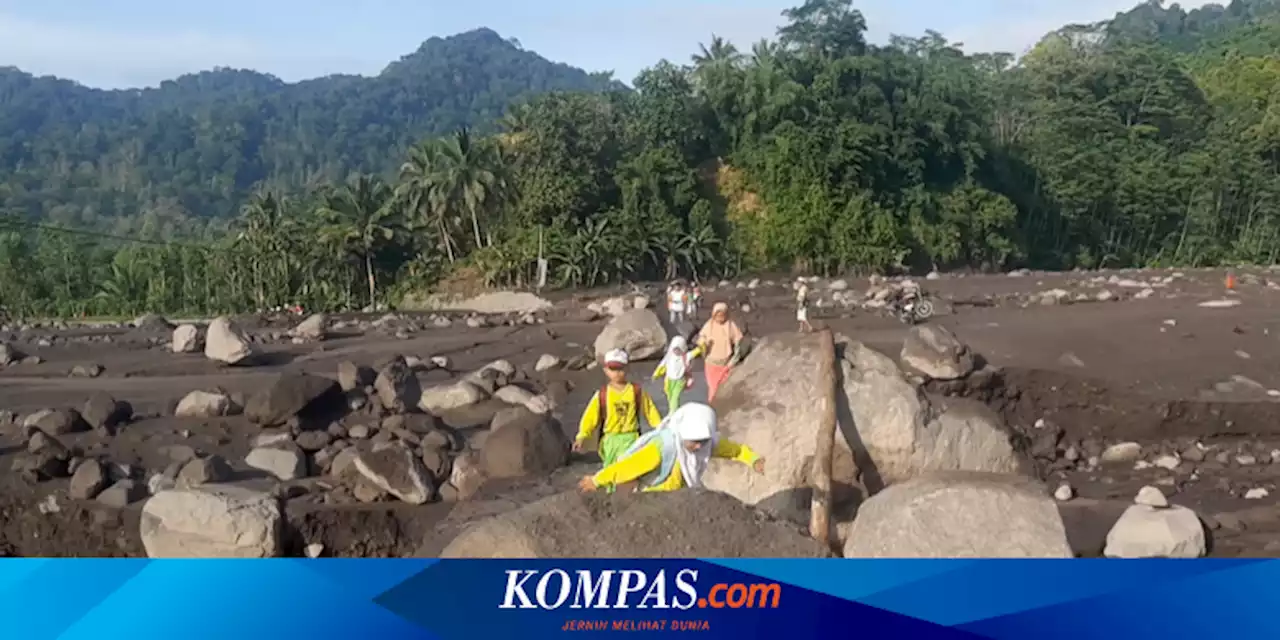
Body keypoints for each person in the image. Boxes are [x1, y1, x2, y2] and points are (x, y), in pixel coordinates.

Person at [578, 403, 764, 493]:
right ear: (682, 432)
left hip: (680, 495)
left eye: (703, 441)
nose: (698, 446)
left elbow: (735, 451)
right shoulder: (664, 445)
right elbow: (628, 467)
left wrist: (753, 460)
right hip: (652, 498)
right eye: (694, 441)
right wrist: (597, 480)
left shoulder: (707, 443)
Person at [573, 349, 665, 491]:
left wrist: (661, 428)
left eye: (620, 369)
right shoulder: (602, 394)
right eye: (613, 369)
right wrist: (582, 435)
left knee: (629, 471)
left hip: (631, 437)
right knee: (610, 471)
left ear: (627, 368)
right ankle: (611, 496)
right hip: (610, 440)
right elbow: (590, 417)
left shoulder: (636, 391)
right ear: (605, 370)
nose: (617, 373)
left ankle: (627, 499)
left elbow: (650, 411)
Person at [696, 302, 745, 403]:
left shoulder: (731, 325)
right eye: (717, 314)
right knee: (713, 387)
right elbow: (701, 340)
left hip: (726, 363)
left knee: (723, 388)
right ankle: (712, 406)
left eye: (722, 314)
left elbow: (738, 343)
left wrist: (733, 361)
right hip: (711, 363)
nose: (720, 316)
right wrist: (702, 344)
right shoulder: (709, 326)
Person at [652, 336, 702, 414]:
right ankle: (674, 410)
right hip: (669, 380)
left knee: (675, 396)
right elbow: (662, 366)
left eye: (678, 349)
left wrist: (702, 346)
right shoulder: (669, 357)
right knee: (670, 396)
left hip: (680, 380)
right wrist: (656, 375)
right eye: (675, 349)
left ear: (682, 348)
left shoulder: (685, 356)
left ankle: (673, 412)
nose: (676, 351)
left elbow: (695, 352)